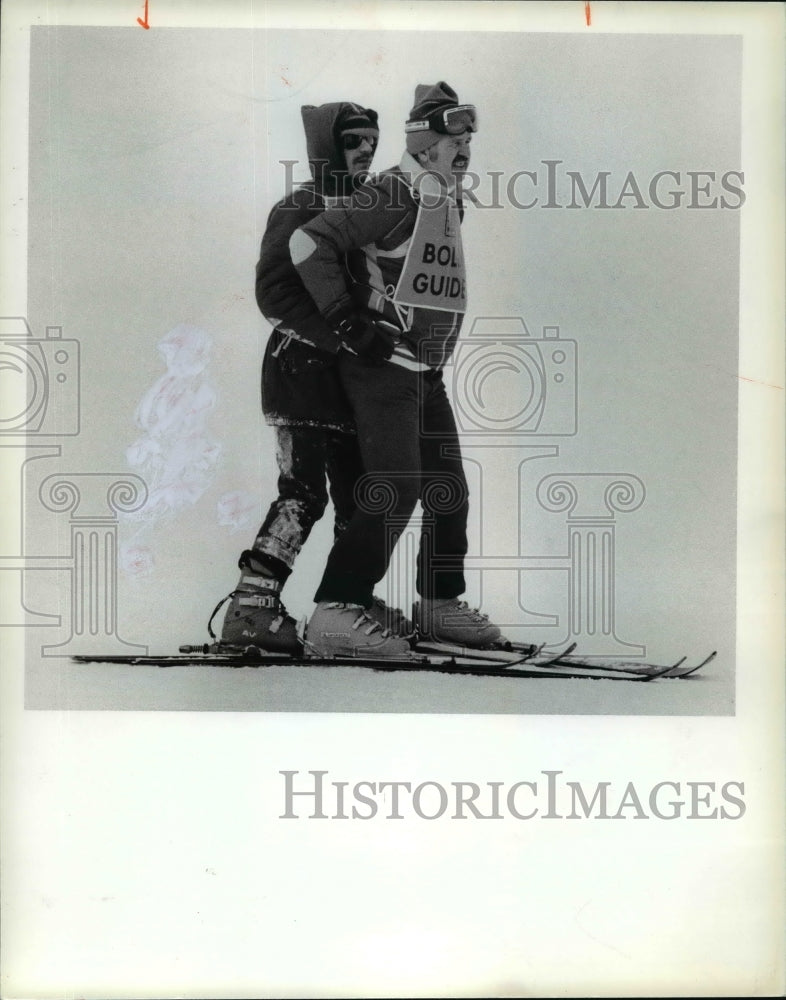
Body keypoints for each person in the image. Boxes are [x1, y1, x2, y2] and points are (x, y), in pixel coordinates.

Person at [289, 81, 503, 658]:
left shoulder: (443, 195)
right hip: (382, 368)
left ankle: (437, 605)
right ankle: (336, 609)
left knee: (449, 489)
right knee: (396, 486)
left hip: (424, 369)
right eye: (451, 139)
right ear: (425, 143)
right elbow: (309, 245)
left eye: (468, 142)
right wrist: (347, 321)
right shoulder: (393, 191)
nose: (464, 151)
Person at [213, 101, 408, 653]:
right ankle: (252, 606)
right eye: (353, 142)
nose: (367, 150)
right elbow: (273, 294)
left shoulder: (366, 209)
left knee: (357, 498)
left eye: (373, 139)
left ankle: (345, 603)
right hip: (301, 375)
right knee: (303, 494)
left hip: (353, 381)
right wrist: (342, 337)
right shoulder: (299, 206)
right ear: (327, 149)